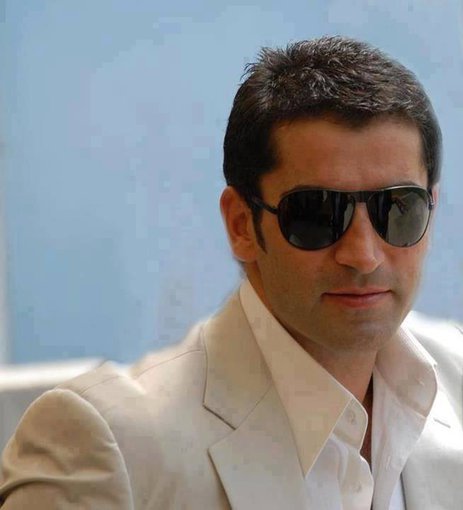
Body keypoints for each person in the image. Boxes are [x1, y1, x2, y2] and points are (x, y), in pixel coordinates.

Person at [0, 36, 462, 510]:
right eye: (317, 214)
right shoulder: (103, 447)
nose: (363, 255)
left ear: (432, 208)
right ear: (241, 225)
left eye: (397, 209)